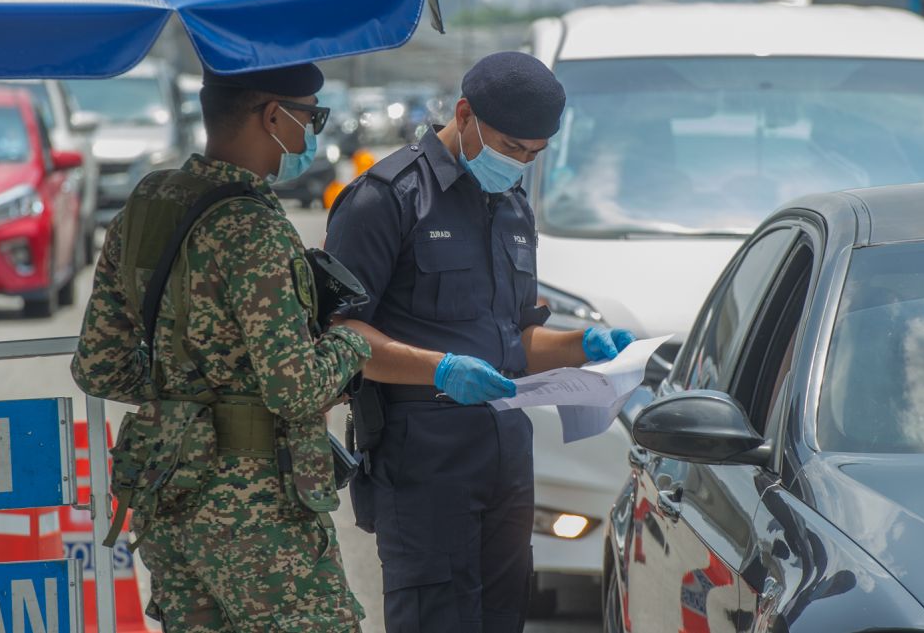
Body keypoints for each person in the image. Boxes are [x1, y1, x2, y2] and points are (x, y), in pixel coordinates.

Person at [325, 51, 637, 633]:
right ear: (465, 115)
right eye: (513, 147)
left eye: (534, 154)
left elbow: (515, 341)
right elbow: (339, 331)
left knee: (503, 619)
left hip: (506, 463)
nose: (520, 163)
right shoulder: (386, 198)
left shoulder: (513, 205)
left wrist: (582, 346)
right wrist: (440, 369)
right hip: (423, 465)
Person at [70, 63, 369, 632]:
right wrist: (350, 345)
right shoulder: (254, 226)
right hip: (258, 514)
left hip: (171, 494)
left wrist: (186, 394)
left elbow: (99, 367)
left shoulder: (148, 200)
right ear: (274, 116)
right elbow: (295, 389)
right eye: (312, 118)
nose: (311, 138)